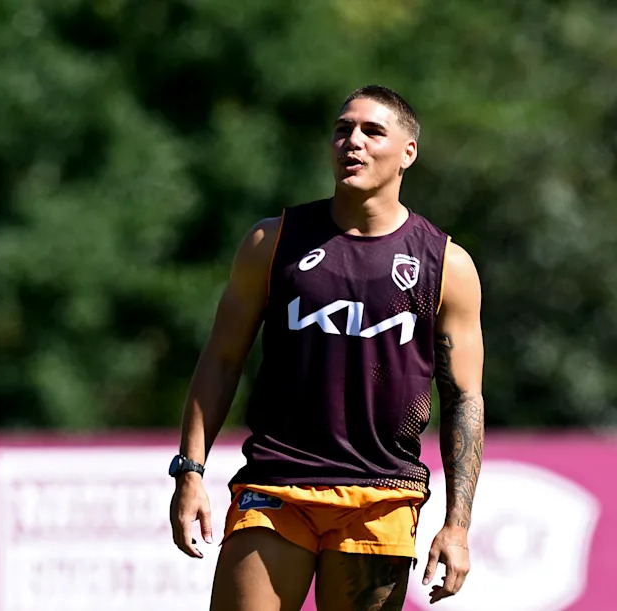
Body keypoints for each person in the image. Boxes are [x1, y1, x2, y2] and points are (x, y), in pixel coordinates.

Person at [169, 84, 485, 610]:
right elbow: (222, 362)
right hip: (276, 485)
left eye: (372, 131)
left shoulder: (446, 265)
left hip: (382, 494)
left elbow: (464, 400)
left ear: (408, 152)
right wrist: (190, 472)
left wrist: (457, 526)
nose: (352, 142)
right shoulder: (271, 244)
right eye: (343, 130)